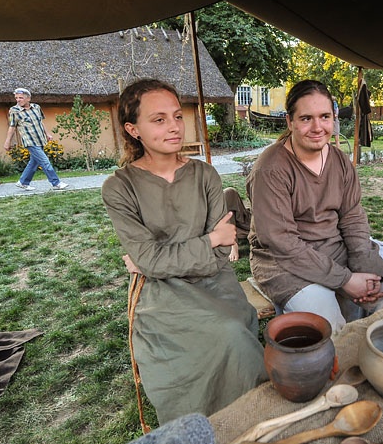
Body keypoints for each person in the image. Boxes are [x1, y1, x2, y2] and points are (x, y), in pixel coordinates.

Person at [101, 79, 266, 423]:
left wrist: (161, 258)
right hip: (162, 292)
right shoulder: (120, 187)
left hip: (214, 279)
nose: (174, 126)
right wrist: (208, 241)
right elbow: (154, 259)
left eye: (177, 116)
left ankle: (250, 417)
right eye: (159, 119)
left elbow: (221, 253)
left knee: (233, 330)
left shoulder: (205, 175)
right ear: (133, 130)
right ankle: (200, 426)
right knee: (217, 335)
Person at [247, 79, 383, 334]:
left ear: (334, 117)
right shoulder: (270, 169)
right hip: (283, 263)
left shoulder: (340, 160)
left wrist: (365, 269)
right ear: (290, 122)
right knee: (328, 328)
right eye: (306, 118)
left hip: (333, 248)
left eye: (325, 116)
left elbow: (353, 218)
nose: (318, 127)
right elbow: (282, 242)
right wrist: (345, 280)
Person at [3, 88, 69, 191]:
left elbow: (40, 122)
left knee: (34, 162)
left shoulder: (36, 107)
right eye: (16, 98)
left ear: (28, 98)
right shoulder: (14, 110)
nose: (18, 100)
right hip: (30, 141)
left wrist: (47, 133)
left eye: (21, 98)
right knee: (45, 161)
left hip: (40, 139)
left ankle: (23, 182)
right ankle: (56, 183)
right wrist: (7, 141)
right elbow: (12, 127)